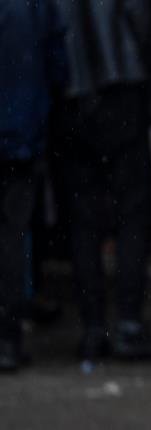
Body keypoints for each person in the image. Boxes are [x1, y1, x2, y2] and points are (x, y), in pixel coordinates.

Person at [50, 0, 151, 362]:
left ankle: (93, 328)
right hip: (123, 89)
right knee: (131, 213)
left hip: (73, 96)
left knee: (84, 219)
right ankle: (128, 324)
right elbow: (143, 24)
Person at [0, 0, 66, 372]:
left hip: (19, 127)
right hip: (19, 132)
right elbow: (57, 66)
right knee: (13, 235)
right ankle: (8, 338)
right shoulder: (36, 6)